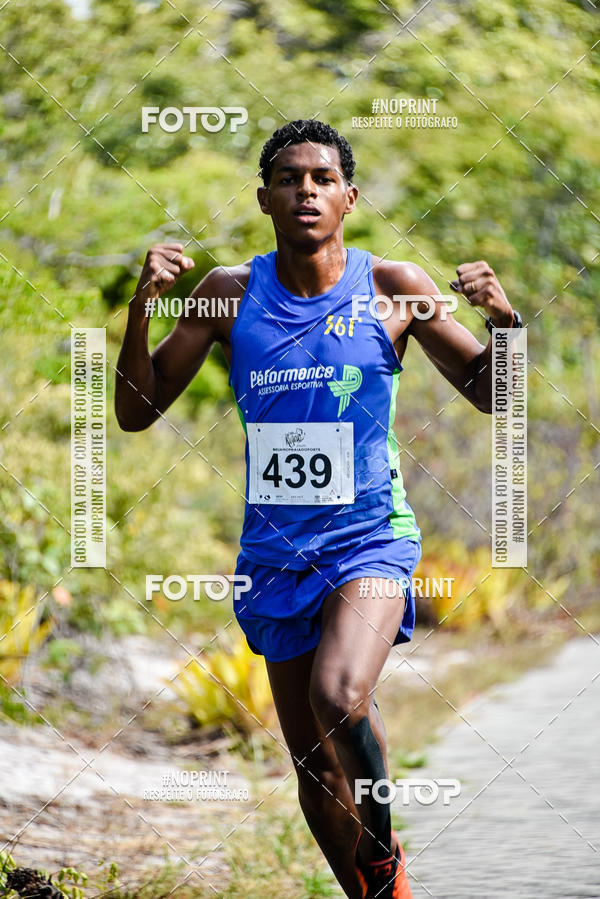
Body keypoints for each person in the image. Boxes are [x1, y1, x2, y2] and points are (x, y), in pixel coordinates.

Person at [115, 119, 521, 898]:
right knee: (310, 759)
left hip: (370, 538)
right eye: (290, 178)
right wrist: (141, 311)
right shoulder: (227, 295)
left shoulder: (394, 288)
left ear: (349, 198)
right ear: (264, 198)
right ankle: (380, 893)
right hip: (273, 554)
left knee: (339, 697)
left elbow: (493, 393)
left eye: (323, 179)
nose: (307, 190)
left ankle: (382, 848)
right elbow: (137, 411)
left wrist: (504, 322)